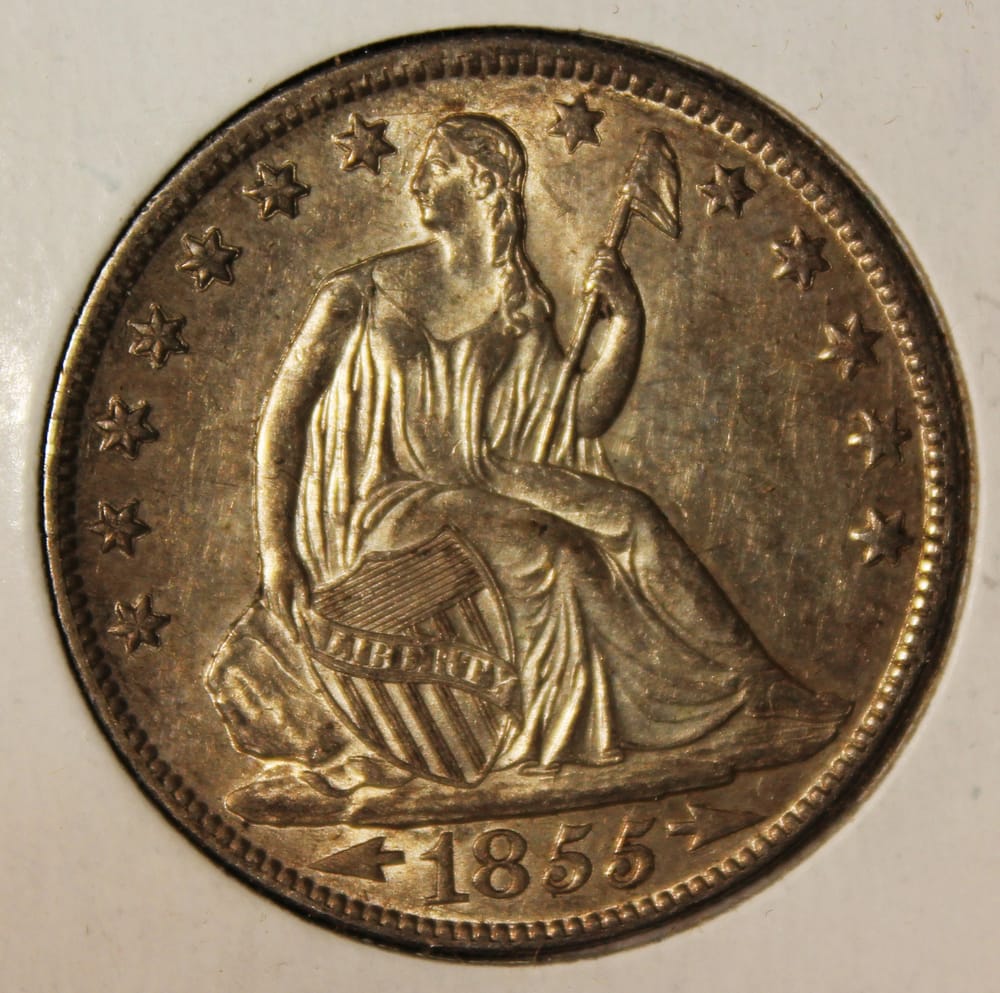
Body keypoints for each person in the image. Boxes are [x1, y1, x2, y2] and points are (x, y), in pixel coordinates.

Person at [207, 113, 847, 814]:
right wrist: (278, 552)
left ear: (484, 183)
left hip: (481, 475)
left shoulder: (516, 300)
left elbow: (580, 416)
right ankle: (568, 734)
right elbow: (282, 420)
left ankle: (756, 686)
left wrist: (625, 324)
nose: (416, 183)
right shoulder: (359, 291)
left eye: (436, 169)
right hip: (388, 501)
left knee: (631, 514)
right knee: (558, 548)